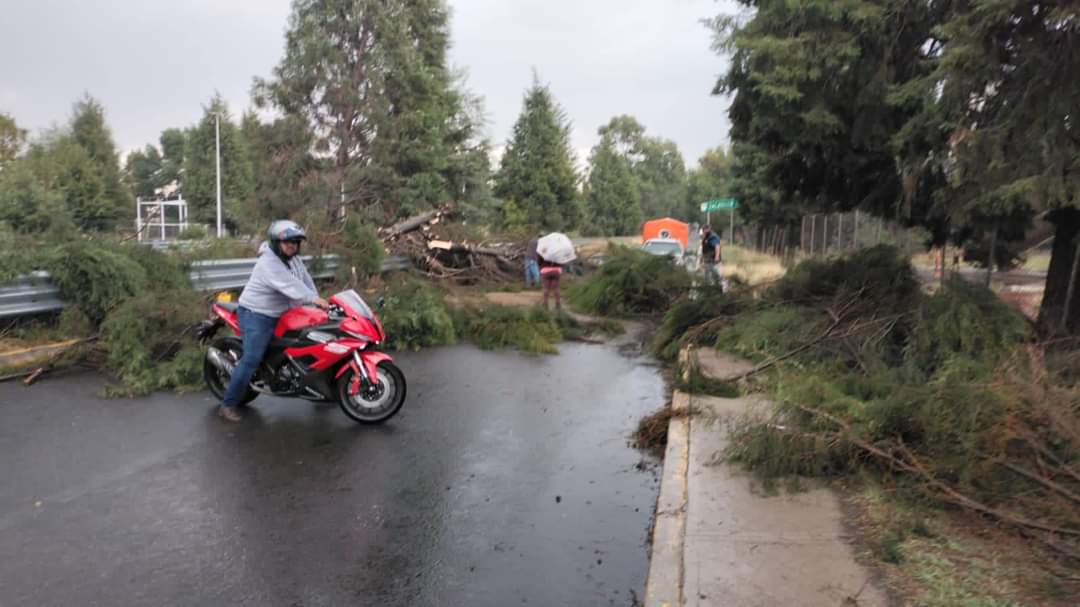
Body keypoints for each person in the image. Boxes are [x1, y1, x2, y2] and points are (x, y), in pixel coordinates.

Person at [218, 220, 329, 422]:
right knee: (252, 358)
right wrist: (312, 300)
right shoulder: (268, 263)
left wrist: (317, 301)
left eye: (295, 242)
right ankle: (228, 404)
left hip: (283, 312)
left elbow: (304, 280)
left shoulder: (294, 259)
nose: (292, 246)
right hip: (257, 314)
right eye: (287, 242)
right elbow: (290, 286)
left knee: (312, 343)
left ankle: (320, 389)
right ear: (276, 243)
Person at [701, 224, 723, 290]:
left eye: (705, 229)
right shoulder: (706, 237)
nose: (704, 231)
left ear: (709, 229)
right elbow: (704, 249)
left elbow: (717, 247)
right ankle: (709, 292)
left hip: (714, 262)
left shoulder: (712, 237)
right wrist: (702, 259)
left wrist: (716, 257)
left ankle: (719, 291)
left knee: (716, 278)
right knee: (707, 278)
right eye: (703, 230)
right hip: (707, 261)